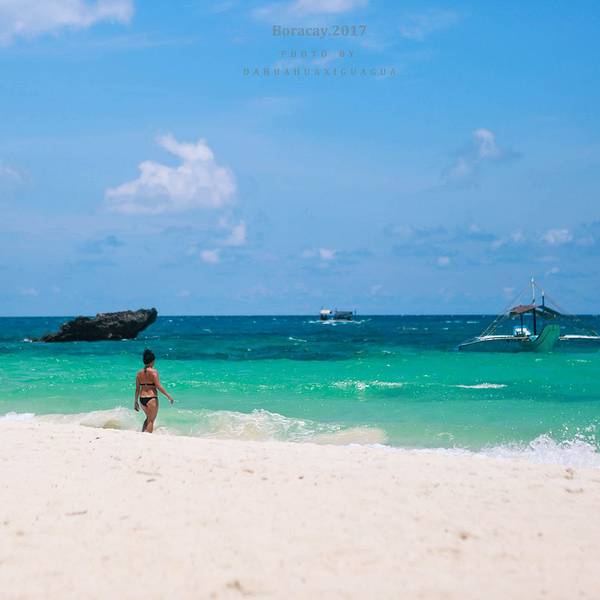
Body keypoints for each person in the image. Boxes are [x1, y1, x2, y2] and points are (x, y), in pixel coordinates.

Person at [134, 349, 173, 433]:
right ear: (152, 361)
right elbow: (158, 386)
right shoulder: (154, 372)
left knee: (148, 418)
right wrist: (168, 396)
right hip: (151, 398)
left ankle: (142, 434)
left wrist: (135, 401)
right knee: (151, 420)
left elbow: (137, 388)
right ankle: (148, 436)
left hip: (142, 398)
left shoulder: (139, 373)